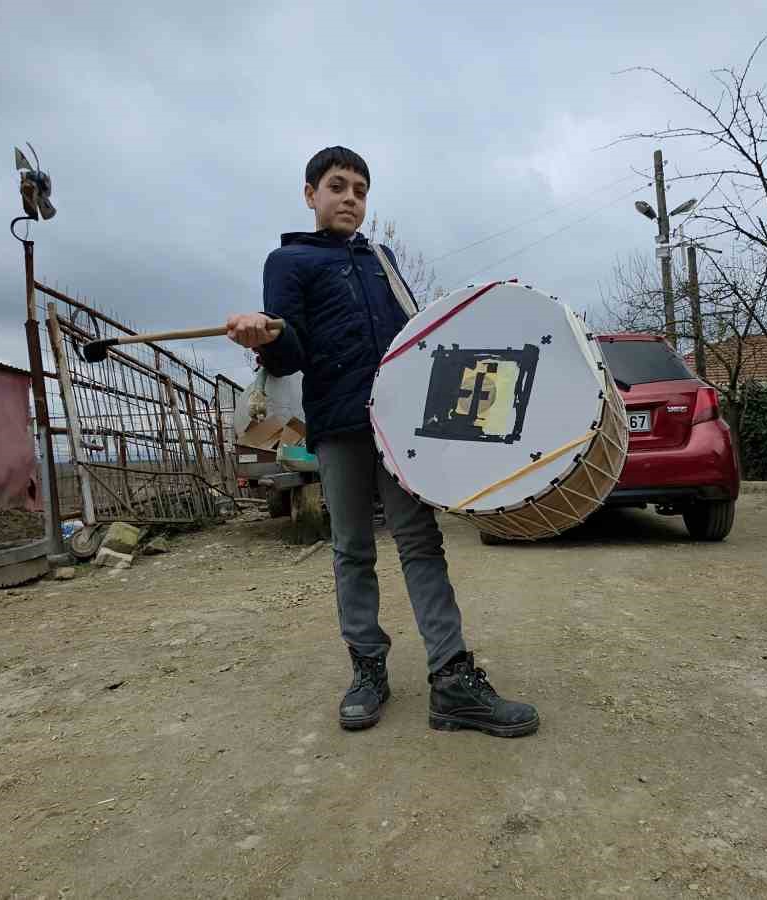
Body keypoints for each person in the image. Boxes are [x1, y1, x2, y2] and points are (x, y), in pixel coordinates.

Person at [224, 147, 539, 738]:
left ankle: (451, 680)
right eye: (337, 186)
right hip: (340, 422)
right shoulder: (287, 261)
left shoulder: (381, 260)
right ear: (310, 194)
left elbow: (415, 338)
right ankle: (368, 671)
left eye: (361, 190)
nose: (350, 198)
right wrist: (261, 337)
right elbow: (289, 355)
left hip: (401, 423)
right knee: (352, 547)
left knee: (420, 540)